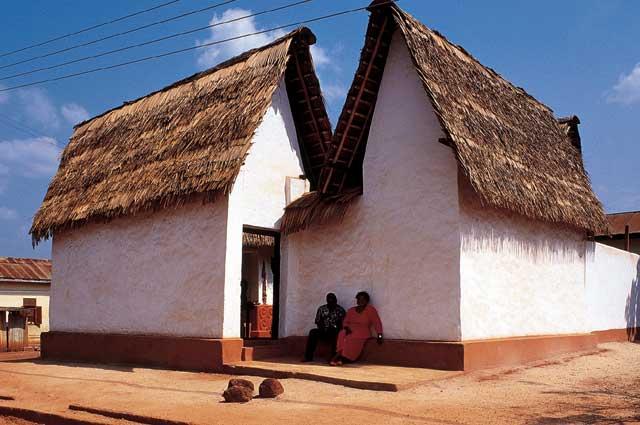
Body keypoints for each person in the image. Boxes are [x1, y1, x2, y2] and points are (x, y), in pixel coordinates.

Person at [330, 291, 383, 366]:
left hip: (362, 331)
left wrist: (379, 335)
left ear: (367, 301)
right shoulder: (351, 310)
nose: (360, 301)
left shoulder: (370, 310)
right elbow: (345, 321)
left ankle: (341, 358)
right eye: (359, 299)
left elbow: (376, 322)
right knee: (342, 334)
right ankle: (340, 356)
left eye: (363, 299)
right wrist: (346, 328)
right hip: (349, 329)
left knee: (350, 339)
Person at [302, 293, 346, 362]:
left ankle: (333, 357)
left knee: (336, 334)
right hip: (323, 330)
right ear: (327, 300)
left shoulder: (340, 310)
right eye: (329, 300)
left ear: (336, 300)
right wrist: (323, 328)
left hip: (335, 331)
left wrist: (336, 328)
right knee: (313, 332)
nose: (331, 301)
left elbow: (343, 323)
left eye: (333, 300)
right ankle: (308, 357)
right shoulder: (322, 309)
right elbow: (318, 321)